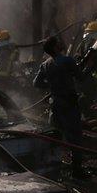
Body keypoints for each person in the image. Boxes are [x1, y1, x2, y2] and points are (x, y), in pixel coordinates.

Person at [33, 35, 85, 176]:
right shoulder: (67, 60)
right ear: (55, 47)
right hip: (69, 104)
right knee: (75, 137)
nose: (61, 43)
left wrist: (51, 86)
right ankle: (77, 171)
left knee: (55, 137)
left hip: (55, 105)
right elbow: (81, 77)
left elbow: (36, 83)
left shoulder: (45, 65)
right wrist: (85, 65)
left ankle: (53, 169)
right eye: (58, 42)